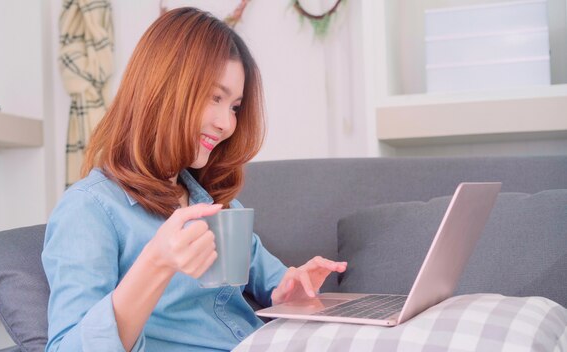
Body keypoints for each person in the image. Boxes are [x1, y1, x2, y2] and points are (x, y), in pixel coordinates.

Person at [42, 7, 347, 352]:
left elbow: (275, 283)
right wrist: (156, 263)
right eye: (215, 98)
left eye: (234, 106)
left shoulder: (211, 202)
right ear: (163, 89)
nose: (227, 124)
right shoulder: (90, 209)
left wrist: (290, 291)